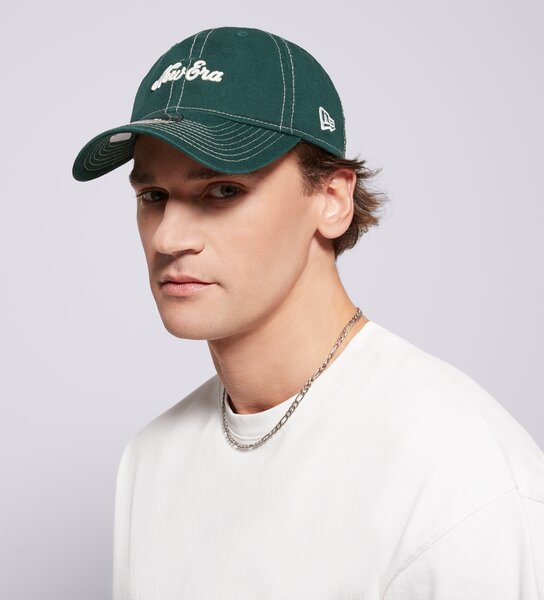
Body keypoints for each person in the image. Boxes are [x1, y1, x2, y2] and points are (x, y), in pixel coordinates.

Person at [72, 26, 544, 600]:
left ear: (333, 200)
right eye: (153, 197)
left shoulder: (457, 472)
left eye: (222, 191)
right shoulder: (150, 461)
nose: (169, 238)